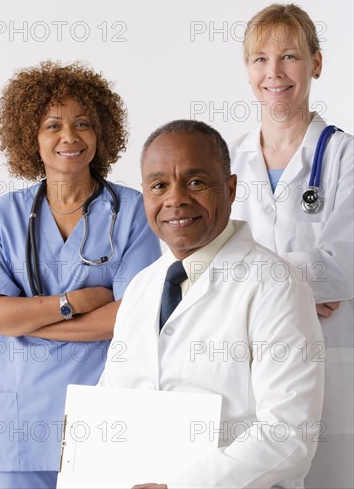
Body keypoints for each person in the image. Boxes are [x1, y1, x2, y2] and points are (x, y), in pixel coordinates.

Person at [99, 120, 324, 489]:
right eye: (159, 185)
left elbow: (288, 433)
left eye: (196, 182)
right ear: (145, 197)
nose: (175, 199)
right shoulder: (143, 287)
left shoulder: (275, 284)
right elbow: (109, 404)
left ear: (231, 188)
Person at [0, 61, 161, 489]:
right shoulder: (3, 215)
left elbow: (130, 317)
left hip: (101, 414)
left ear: (101, 133)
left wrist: (27, 322)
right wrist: (72, 304)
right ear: (31, 136)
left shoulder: (133, 212)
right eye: (53, 125)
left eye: (83, 123)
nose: (69, 136)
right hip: (17, 425)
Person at [229, 3, 354, 488]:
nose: (274, 72)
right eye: (260, 59)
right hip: (251, 356)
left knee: (329, 474)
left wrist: (256, 281)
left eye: (289, 57)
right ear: (248, 71)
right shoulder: (228, 159)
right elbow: (211, 263)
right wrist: (299, 285)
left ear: (316, 64)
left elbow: (345, 262)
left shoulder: (345, 156)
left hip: (331, 354)